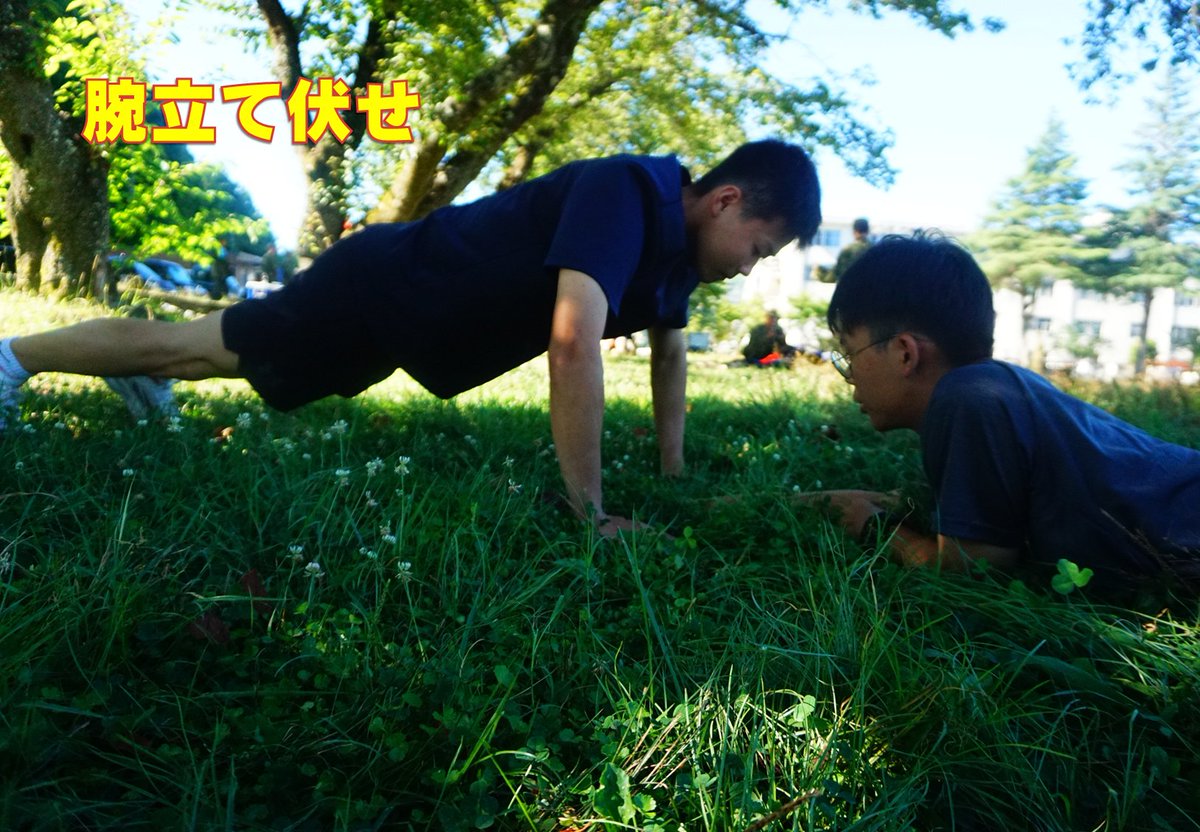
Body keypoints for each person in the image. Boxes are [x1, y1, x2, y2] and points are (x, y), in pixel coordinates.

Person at [0, 139, 822, 537]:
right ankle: (16, 358)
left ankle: (142, 378)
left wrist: (672, 472)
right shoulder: (626, 191)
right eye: (759, 249)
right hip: (388, 283)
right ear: (725, 200)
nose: (752, 270)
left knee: (227, 358)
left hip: (414, 318)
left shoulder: (675, 263)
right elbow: (574, 344)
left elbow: (671, 357)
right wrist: (591, 515)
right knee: (200, 346)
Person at [804, 232, 1200, 585]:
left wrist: (873, 528)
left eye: (848, 353)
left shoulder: (966, 400)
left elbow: (975, 566)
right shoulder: (992, 388)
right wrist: (822, 504)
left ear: (905, 353)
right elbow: (921, 501)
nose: (850, 375)